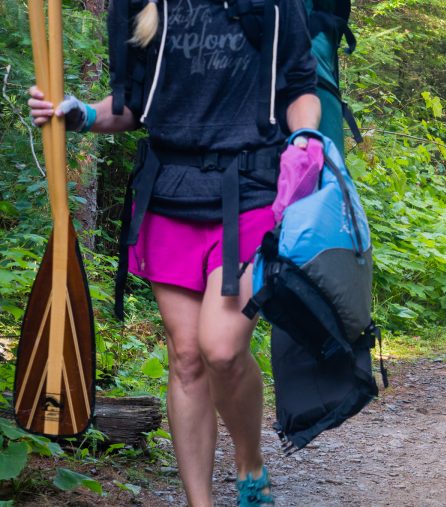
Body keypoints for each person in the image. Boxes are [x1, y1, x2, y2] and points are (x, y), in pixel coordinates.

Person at [28, 0, 321, 505]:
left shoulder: (275, 5)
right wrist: (79, 113)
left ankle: (249, 459)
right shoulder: (145, 7)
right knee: (186, 357)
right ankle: (199, 501)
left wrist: (306, 139)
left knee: (222, 348)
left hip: (251, 189)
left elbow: (298, 87)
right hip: (169, 194)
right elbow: (132, 105)